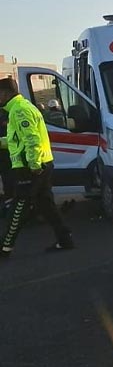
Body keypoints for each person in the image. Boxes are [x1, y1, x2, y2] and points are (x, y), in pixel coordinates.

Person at [0, 77, 74, 257]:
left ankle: (4, 248)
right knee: (46, 205)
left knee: (19, 205)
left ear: (4, 93)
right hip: (41, 163)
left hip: (30, 166)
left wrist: (33, 165)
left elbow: (32, 140)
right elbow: (17, 141)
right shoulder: (20, 108)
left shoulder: (19, 111)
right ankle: (65, 240)